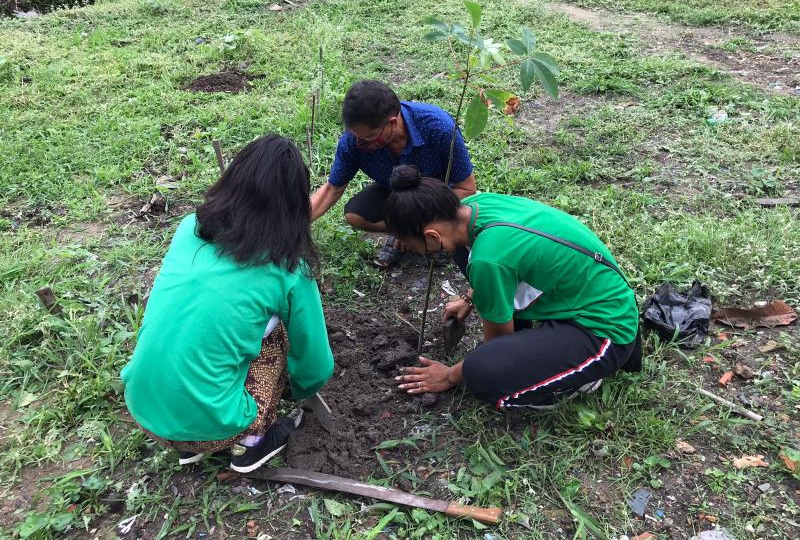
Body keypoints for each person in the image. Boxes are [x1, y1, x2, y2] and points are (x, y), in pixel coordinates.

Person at [121, 135, 334, 472]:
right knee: (279, 337)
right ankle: (251, 440)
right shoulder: (287, 266)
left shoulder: (189, 227)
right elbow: (316, 365)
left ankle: (186, 443)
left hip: (144, 409)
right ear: (294, 205)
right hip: (212, 427)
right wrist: (299, 387)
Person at [385, 166, 640, 409]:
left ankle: (576, 377)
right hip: (597, 291)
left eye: (411, 245)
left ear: (432, 236)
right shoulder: (477, 205)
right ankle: (553, 350)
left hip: (605, 329)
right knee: (464, 253)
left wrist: (449, 375)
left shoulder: (488, 259)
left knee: (482, 372)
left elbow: (497, 342)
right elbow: (513, 258)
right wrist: (471, 298)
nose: (413, 251)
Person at [310, 80, 477, 268]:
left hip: (438, 197)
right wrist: (293, 225)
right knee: (355, 214)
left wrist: (413, 221)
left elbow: (466, 189)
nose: (360, 143)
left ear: (392, 123)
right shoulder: (353, 141)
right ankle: (406, 235)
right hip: (398, 191)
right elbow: (332, 189)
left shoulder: (439, 127)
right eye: (356, 136)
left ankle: (430, 238)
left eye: (368, 138)